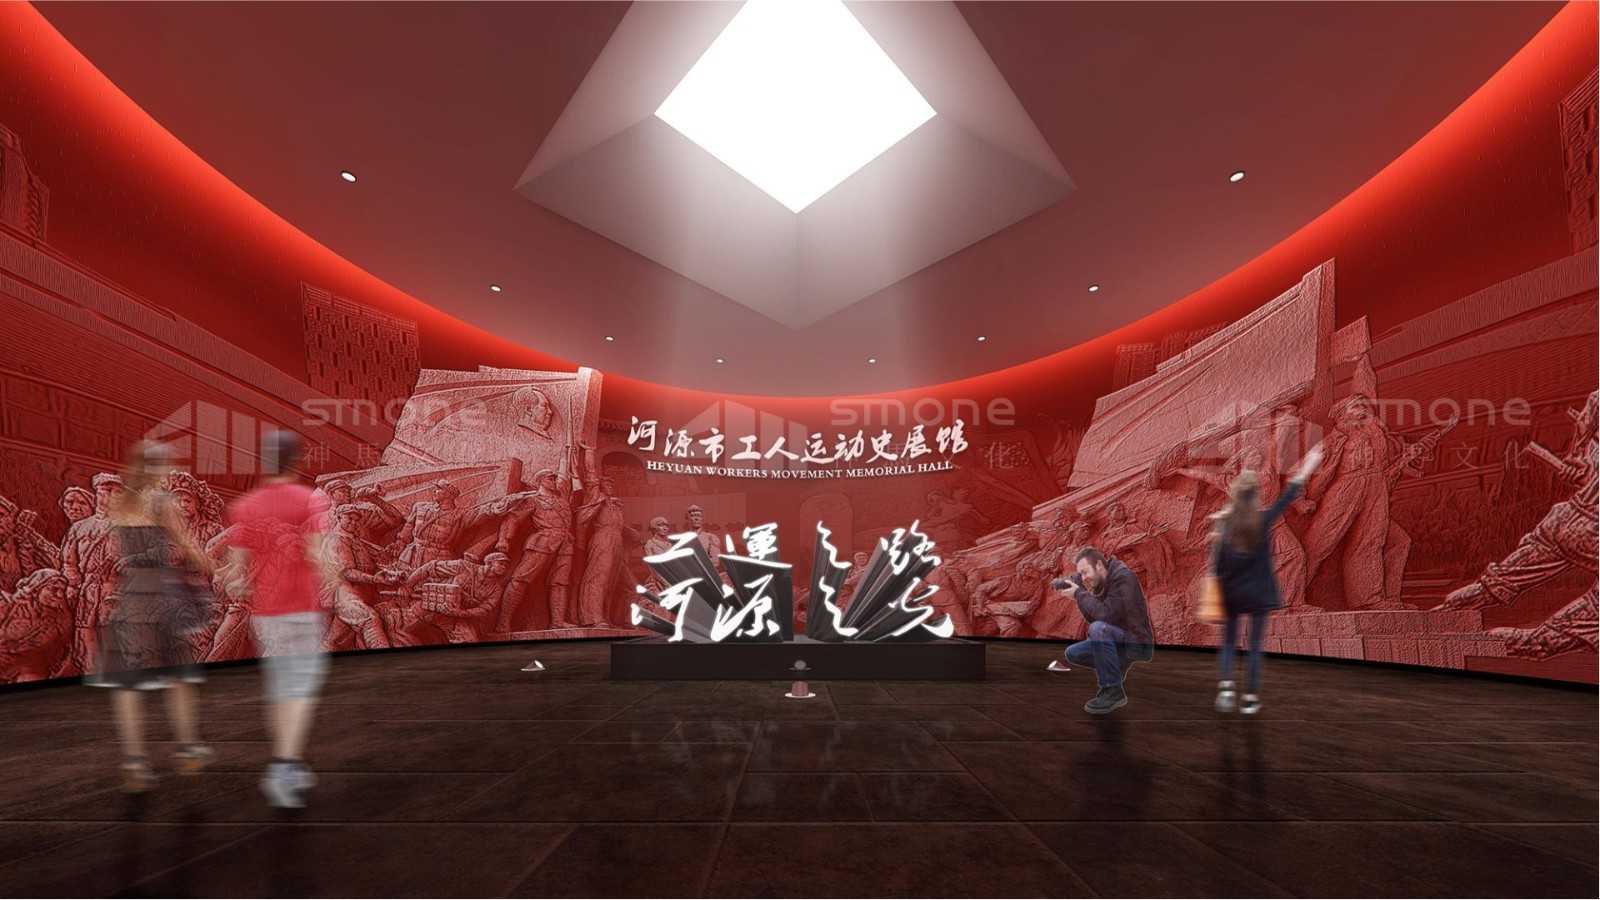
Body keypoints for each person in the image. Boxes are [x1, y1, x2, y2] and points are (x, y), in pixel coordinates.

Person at [92, 442, 215, 792]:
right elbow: (186, 545)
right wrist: (208, 565)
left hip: (131, 597)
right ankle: (188, 750)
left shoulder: (120, 503)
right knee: (179, 679)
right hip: (163, 597)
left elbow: (117, 550)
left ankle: (135, 762)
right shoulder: (162, 502)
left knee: (127, 685)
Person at [221, 430, 334, 808]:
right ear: (296, 462)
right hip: (302, 607)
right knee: (299, 689)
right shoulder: (310, 500)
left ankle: (287, 761)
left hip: (266, 612)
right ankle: (286, 765)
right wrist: (335, 576)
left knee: (280, 685)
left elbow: (236, 572)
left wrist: (239, 582)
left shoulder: (245, 506)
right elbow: (318, 556)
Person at [1209, 443, 1324, 715]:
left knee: (1229, 643)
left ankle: (1226, 691)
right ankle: (1250, 697)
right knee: (1254, 646)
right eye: (1252, 454)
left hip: (1232, 594)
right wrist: (1309, 465)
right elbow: (1287, 497)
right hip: (1258, 594)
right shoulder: (1262, 517)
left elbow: (1217, 566)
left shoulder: (1224, 523)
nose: (1257, 457)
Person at [1050, 547, 1154, 714]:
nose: (1083, 578)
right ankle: (1115, 667)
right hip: (1116, 640)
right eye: (1081, 574)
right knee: (1073, 653)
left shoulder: (1124, 578)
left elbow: (1105, 616)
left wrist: (1079, 594)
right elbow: (1077, 582)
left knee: (1098, 629)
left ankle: (1113, 691)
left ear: (1099, 565)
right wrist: (1063, 585)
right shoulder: (1099, 580)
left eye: (1085, 572)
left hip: (1135, 643)